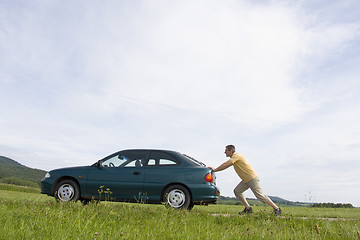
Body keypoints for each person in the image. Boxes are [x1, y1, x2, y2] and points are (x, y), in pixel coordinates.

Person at [209, 145, 282, 215]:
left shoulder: (237, 156)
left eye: (226, 150)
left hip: (251, 178)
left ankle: (277, 209)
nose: (225, 152)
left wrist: (215, 170)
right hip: (246, 180)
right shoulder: (235, 157)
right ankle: (248, 208)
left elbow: (225, 164)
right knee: (237, 191)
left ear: (230, 151)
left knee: (260, 196)